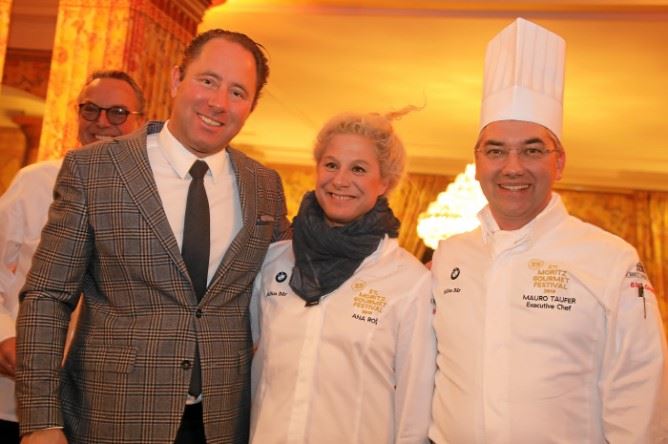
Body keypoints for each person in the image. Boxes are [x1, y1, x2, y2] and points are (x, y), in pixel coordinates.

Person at [15, 29, 290, 444]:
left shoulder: (264, 185)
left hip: (222, 424)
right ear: (177, 79)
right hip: (111, 418)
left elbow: (287, 285)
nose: (219, 102)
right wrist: (40, 421)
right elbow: (48, 296)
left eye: (238, 92)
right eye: (208, 81)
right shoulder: (94, 170)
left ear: (251, 106)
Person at [429, 18, 667, 443]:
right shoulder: (449, 255)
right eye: (496, 150)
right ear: (477, 161)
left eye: (532, 150)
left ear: (559, 162)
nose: (513, 167)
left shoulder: (610, 259)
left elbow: (639, 393)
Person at [249, 110, 436, 443]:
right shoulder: (274, 262)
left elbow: (415, 408)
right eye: (331, 164)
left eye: (359, 169)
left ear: (385, 183)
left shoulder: (408, 281)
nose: (340, 180)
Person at [0, 69, 145, 444]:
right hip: (17, 397)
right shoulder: (34, 183)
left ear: (140, 122)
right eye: (90, 109)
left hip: (101, 407)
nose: (102, 122)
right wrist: (4, 335)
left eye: (117, 113)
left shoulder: (151, 204)